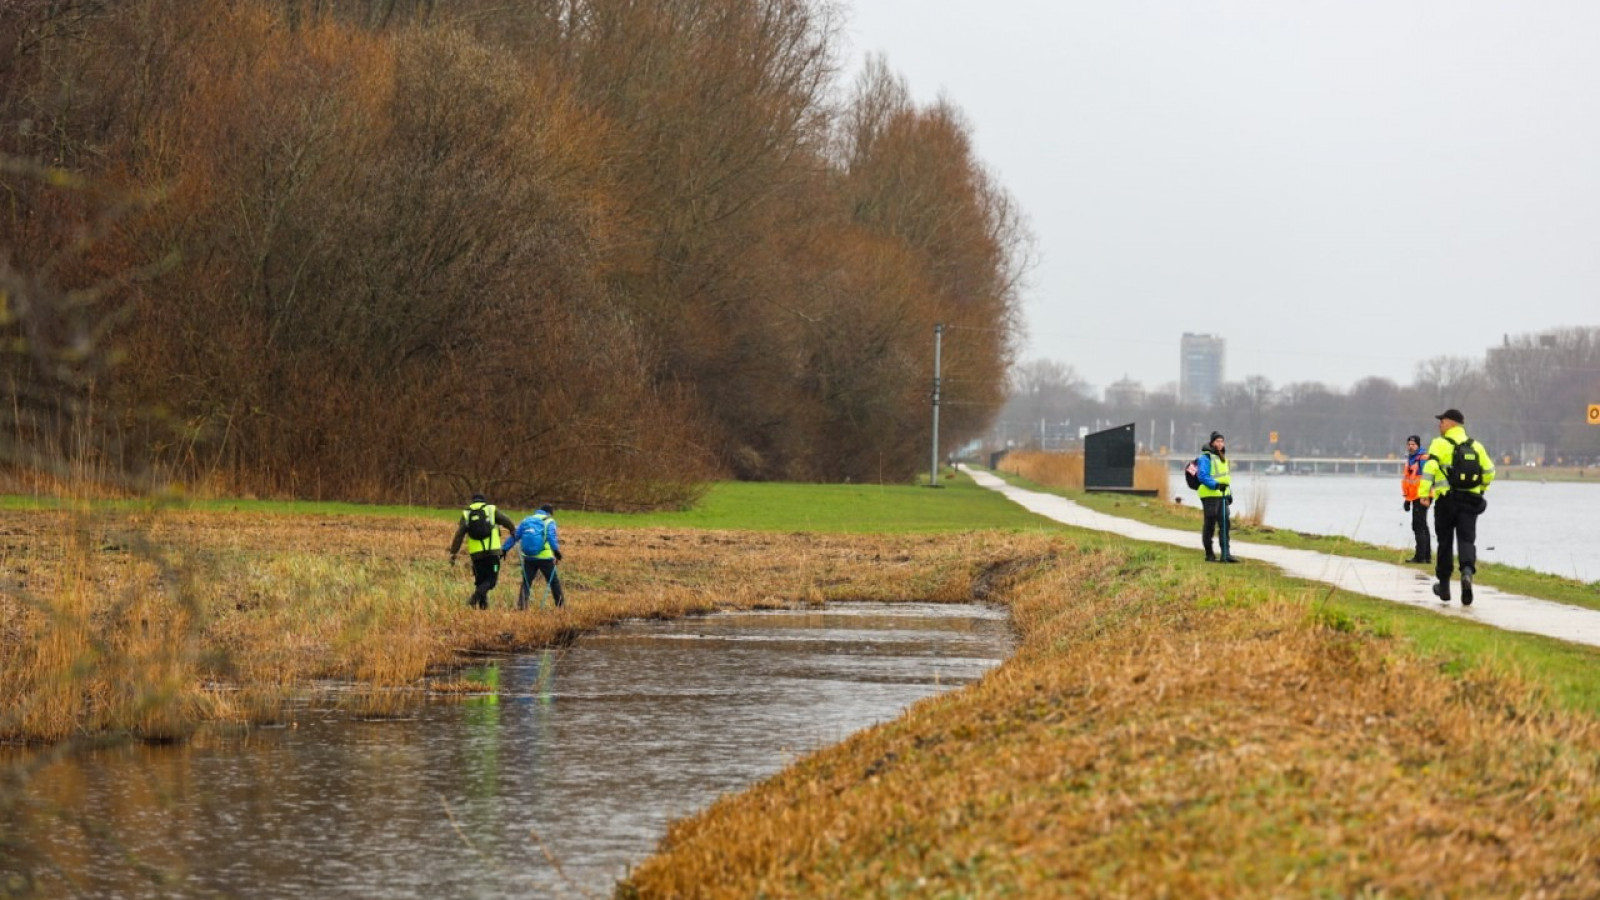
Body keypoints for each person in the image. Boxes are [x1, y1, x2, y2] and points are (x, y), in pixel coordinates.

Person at [1417, 409, 1495, 606]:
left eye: (1441, 422)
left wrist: (1424, 494)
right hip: (1470, 501)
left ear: (1451, 423)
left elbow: (1430, 469)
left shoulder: (1439, 444)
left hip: (1446, 501)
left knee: (1445, 542)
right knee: (1467, 540)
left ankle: (1444, 586)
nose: (1439, 425)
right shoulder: (1476, 446)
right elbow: (1489, 472)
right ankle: (1467, 573)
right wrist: (1481, 490)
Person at [449, 493, 516, 609]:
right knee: (491, 580)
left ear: (473, 501)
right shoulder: (491, 510)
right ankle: (474, 599)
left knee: (480, 581)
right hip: (492, 553)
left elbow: (459, 534)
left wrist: (454, 552)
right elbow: (506, 521)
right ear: (484, 501)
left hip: (476, 555)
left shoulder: (467, 513)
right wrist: (512, 530)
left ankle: (483, 607)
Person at [503, 504, 565, 609]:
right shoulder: (549, 521)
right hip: (545, 558)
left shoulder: (527, 520)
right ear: (550, 513)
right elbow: (551, 536)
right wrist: (556, 551)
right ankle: (561, 606)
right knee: (554, 582)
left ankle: (522, 606)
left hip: (528, 557)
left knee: (526, 582)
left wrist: (504, 549)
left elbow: (515, 535)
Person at [1195, 431, 1238, 563]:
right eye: (1217, 441)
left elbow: (1225, 478)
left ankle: (1226, 554)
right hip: (1210, 495)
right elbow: (1202, 476)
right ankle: (1209, 554)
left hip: (1222, 495)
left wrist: (1229, 493)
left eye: (1221, 441)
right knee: (1210, 525)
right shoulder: (1205, 457)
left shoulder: (1222, 457)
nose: (1220, 443)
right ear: (1212, 442)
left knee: (1225, 524)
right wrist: (1216, 486)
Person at [1400, 434, 1431, 564]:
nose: (1411, 447)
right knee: (1422, 525)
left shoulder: (1422, 458)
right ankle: (1426, 556)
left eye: (1413, 444)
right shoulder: (1411, 459)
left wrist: (1425, 496)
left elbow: (1428, 477)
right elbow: (1409, 482)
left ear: (1418, 445)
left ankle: (1420, 557)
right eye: (1409, 444)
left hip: (1422, 496)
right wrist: (1407, 500)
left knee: (1418, 526)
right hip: (1415, 497)